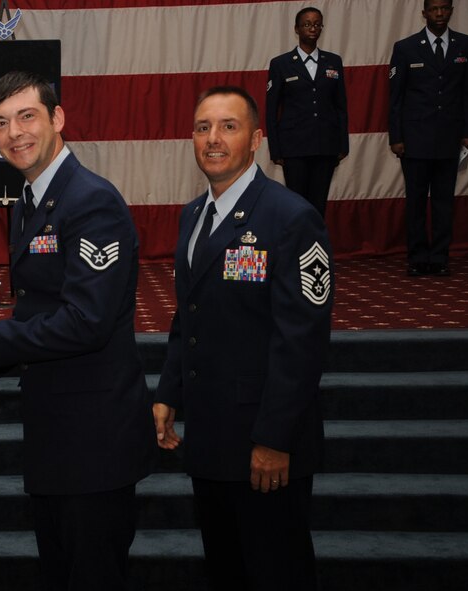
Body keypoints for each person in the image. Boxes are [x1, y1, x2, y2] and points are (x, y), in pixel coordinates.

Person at [0, 71, 157, 591]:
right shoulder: (30, 202)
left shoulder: (91, 201)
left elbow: (87, 323)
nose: (14, 132)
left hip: (94, 443)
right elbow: (35, 316)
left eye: (26, 116)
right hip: (55, 439)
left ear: (57, 118)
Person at [153, 86, 333, 591]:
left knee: (276, 571)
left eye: (228, 126)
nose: (213, 139)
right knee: (227, 570)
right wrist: (168, 392)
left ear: (256, 139)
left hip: (264, 445)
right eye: (203, 127)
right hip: (210, 440)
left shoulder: (291, 218)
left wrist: (274, 439)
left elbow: (302, 343)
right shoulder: (193, 216)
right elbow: (186, 317)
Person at [389, 0, 468, 277]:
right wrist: (396, 137)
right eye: (434, 9)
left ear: (451, 11)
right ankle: (417, 257)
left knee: (443, 202)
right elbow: (396, 98)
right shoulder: (405, 47)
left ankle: (439, 257)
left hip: (450, 139)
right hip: (413, 140)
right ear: (424, 13)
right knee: (415, 202)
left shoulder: (466, 45)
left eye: (445, 8)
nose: (439, 13)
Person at [265, 6, 349, 218]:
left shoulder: (334, 61)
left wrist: (342, 144)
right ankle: (296, 251)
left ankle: (316, 250)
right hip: (294, 148)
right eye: (307, 24)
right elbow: (271, 110)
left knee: (318, 205)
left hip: (326, 146)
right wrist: (276, 150)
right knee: (296, 206)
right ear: (297, 29)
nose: (312, 28)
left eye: (317, 24)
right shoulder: (280, 64)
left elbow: (341, 106)